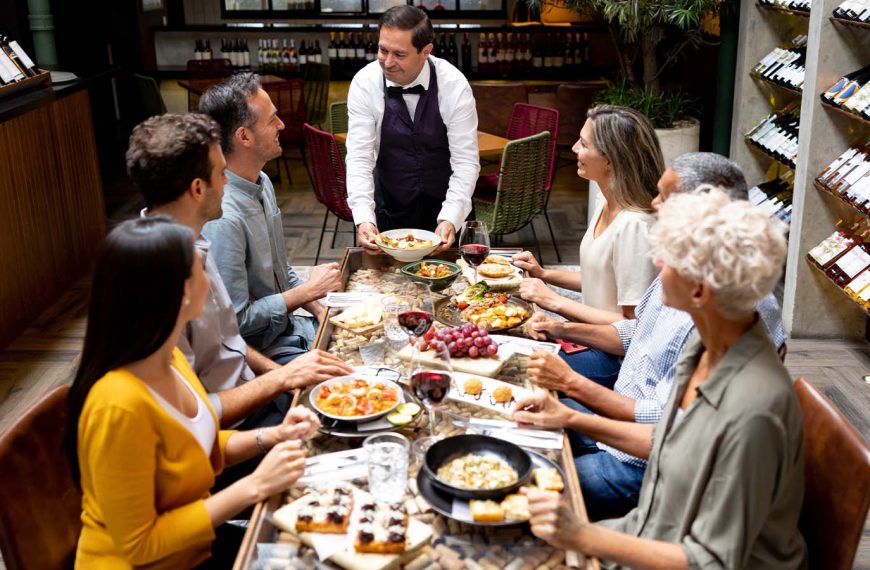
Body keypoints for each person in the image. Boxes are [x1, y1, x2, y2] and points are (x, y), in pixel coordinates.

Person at [516, 189, 807, 569]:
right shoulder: (710, 344)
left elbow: (711, 561)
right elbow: (670, 441)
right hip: (651, 527)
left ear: (699, 289)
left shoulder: (753, 409)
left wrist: (582, 534)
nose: (656, 261)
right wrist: (569, 416)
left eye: (668, 257)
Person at [63, 217, 318, 569]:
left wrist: (274, 435)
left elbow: (198, 443)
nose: (210, 282)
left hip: (197, 545)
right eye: (201, 271)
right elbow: (140, 545)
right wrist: (256, 485)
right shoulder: (117, 406)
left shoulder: (170, 359)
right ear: (181, 295)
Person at [126, 113, 352, 435]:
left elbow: (231, 341)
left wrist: (285, 380)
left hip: (256, 395)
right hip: (234, 428)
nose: (228, 183)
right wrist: (281, 380)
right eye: (221, 173)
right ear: (198, 189)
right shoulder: (158, 279)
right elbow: (192, 419)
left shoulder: (193, 241)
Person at [513, 105, 664, 387]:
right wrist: (545, 274)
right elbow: (603, 280)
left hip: (613, 359)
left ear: (610, 160)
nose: (573, 148)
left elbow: (633, 328)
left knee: (511, 364)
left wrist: (555, 301)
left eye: (583, 144)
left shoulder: (635, 226)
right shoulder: (606, 202)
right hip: (589, 338)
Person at [199, 73, 342, 363]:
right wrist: (307, 291)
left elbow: (279, 270)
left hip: (288, 329)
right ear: (244, 136)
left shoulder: (261, 181)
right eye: (272, 120)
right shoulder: (223, 217)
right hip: (258, 353)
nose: (282, 125)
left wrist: (319, 309)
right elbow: (236, 323)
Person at [346, 5, 480, 252]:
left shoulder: (454, 85)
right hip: (391, 206)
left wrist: (450, 217)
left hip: (447, 204)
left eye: (399, 54)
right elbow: (359, 158)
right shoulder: (365, 83)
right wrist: (363, 218)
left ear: (426, 51)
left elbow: (465, 162)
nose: (387, 62)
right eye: (382, 50)